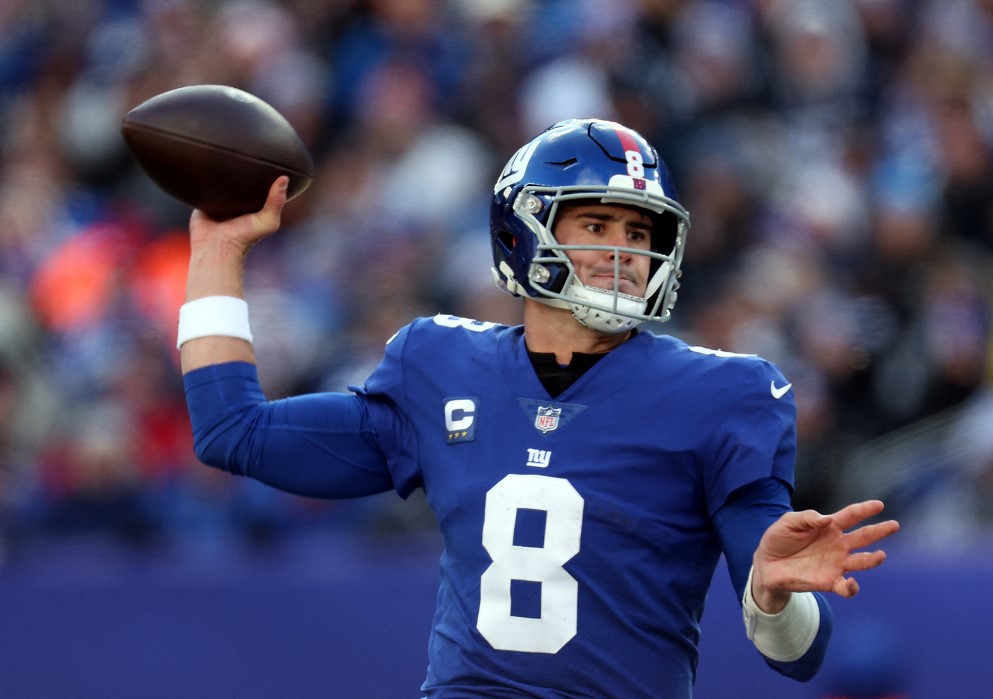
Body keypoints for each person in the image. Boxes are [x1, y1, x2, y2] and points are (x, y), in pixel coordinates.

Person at [178, 118, 899, 697]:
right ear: (521, 232)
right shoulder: (439, 363)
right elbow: (234, 432)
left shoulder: (724, 394)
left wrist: (774, 599)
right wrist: (216, 252)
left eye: (639, 233)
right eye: (598, 226)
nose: (624, 253)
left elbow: (799, 657)